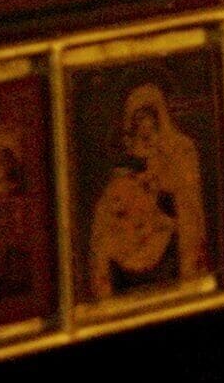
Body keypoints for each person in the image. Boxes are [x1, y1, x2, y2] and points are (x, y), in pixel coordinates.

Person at [86, 83, 208, 299]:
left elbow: (182, 192)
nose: (145, 130)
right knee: (107, 235)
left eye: (149, 123)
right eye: (138, 123)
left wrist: (156, 183)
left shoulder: (178, 148)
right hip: (135, 220)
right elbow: (121, 192)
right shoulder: (131, 154)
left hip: (166, 222)